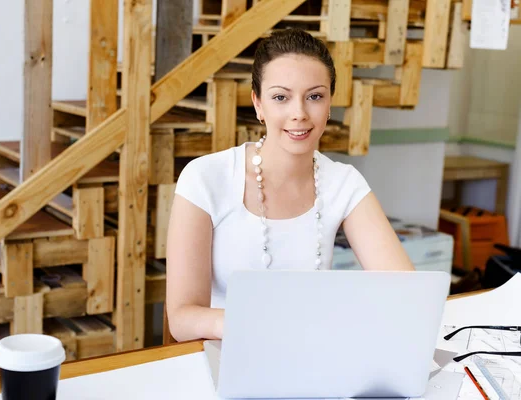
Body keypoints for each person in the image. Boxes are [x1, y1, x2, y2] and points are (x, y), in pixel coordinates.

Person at [165, 28, 415, 343]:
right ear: (258, 104)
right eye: (281, 97)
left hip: (311, 351)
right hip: (227, 354)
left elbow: (406, 293)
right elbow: (183, 317)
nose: (299, 113)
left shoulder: (343, 183)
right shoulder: (205, 177)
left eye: (314, 96)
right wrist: (263, 327)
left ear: (329, 105)